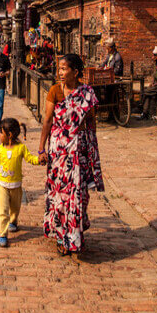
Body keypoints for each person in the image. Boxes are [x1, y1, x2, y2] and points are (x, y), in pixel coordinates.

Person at [38, 53, 103, 256]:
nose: (61, 72)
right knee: (60, 195)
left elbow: (91, 122)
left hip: (79, 151)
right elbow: (47, 120)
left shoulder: (87, 93)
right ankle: (61, 236)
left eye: (65, 69)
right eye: (59, 69)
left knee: (80, 195)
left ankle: (75, 235)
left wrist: (90, 147)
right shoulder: (55, 91)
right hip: (59, 152)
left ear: (76, 72)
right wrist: (41, 148)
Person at [0, 118, 41, 248]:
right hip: (2, 184)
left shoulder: (21, 148)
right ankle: (3, 234)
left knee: (15, 206)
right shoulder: (0, 149)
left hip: (16, 185)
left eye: (1, 133)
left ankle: (13, 221)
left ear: (9, 135)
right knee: (2, 210)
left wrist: (39, 160)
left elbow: (30, 158)